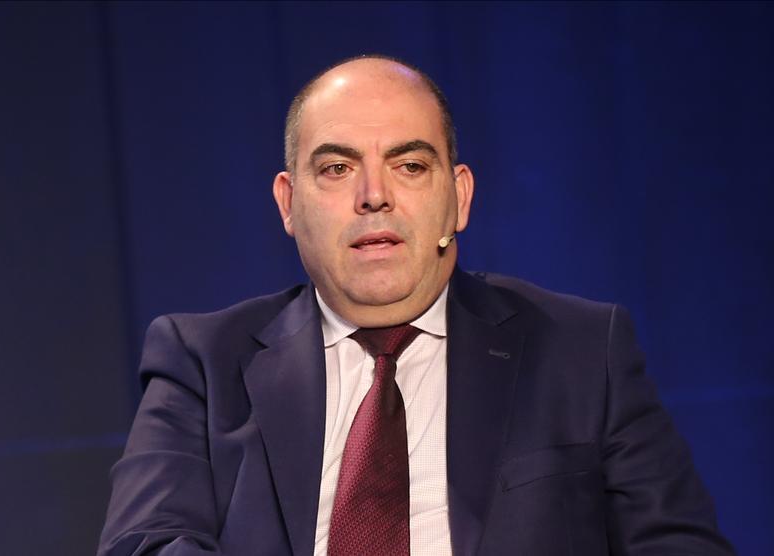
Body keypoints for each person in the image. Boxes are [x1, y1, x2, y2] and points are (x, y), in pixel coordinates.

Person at [98, 55, 735, 555]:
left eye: (409, 165)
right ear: (288, 204)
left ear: (459, 198)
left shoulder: (581, 351)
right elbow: (144, 545)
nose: (374, 195)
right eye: (337, 169)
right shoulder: (202, 363)